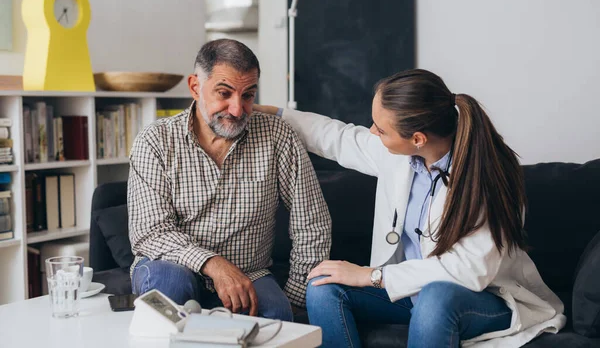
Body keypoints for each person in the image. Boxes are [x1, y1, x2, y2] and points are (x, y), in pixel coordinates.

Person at [253, 69, 565, 347]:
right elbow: (340, 138)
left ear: (417, 138)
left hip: (484, 299)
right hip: (411, 293)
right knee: (324, 287)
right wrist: (277, 114)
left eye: (380, 128)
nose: (373, 133)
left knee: (434, 297)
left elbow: (470, 271)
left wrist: (373, 275)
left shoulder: (485, 179)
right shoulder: (401, 156)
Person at [127, 39, 331, 321]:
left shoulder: (278, 136)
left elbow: (312, 223)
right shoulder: (155, 141)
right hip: (171, 265)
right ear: (196, 87)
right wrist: (213, 264)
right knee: (169, 285)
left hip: (250, 272)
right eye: (224, 93)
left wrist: (296, 297)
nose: (237, 109)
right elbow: (151, 232)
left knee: (276, 313)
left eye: (248, 95)